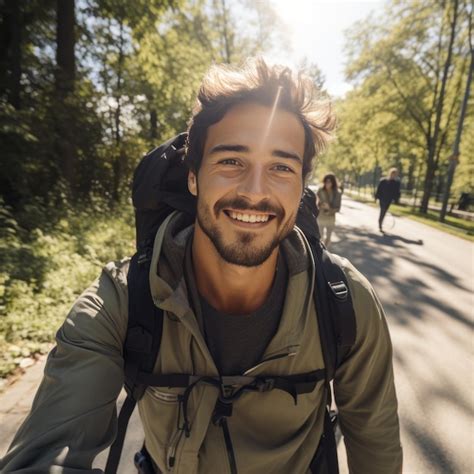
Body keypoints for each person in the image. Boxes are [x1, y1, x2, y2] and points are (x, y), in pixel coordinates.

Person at [0, 59, 402, 474]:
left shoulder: (345, 302)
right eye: (231, 161)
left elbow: (376, 444)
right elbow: (44, 454)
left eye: (281, 167)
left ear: (302, 187)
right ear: (193, 177)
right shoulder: (121, 302)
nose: (254, 191)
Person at [316, 173, 342, 247]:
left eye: (329, 182)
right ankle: (321, 253)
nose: (327, 183)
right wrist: (321, 205)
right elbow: (316, 203)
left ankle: (325, 251)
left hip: (331, 219)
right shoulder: (320, 190)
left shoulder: (338, 193)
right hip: (321, 217)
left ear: (333, 183)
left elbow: (338, 208)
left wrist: (329, 209)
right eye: (326, 181)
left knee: (328, 238)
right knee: (320, 238)